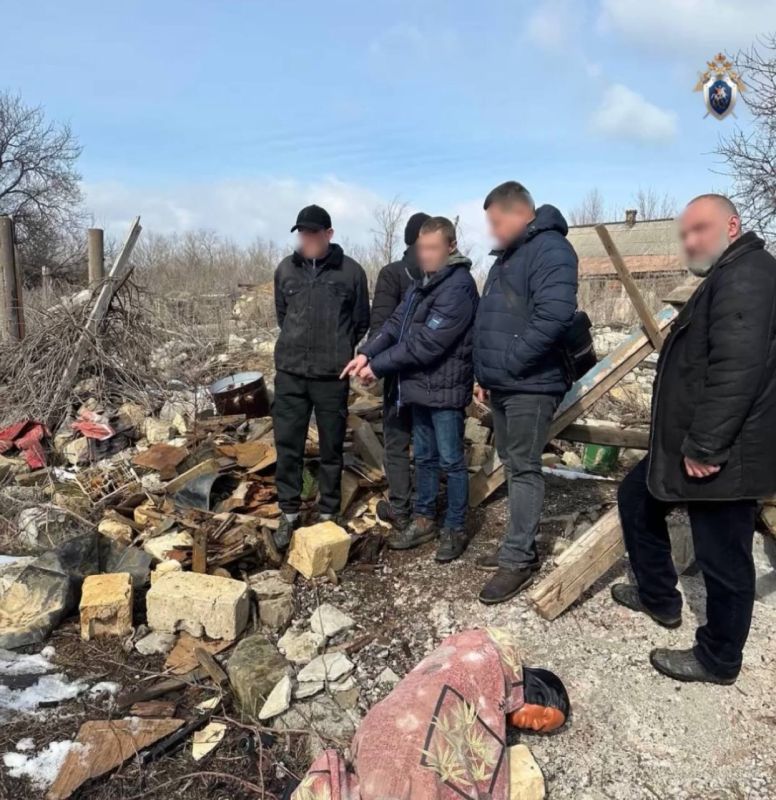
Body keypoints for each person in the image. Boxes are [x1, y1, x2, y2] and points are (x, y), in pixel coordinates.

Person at [613, 194, 776, 686]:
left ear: (731, 225)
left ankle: (719, 658)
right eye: (684, 234)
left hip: (726, 452)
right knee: (636, 498)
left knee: (723, 555)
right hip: (698, 442)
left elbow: (736, 371)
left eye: (699, 230)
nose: (689, 242)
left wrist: (706, 447)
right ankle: (659, 596)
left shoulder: (747, 276)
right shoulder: (729, 274)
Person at [291, 628, 570, 800]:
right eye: (542, 715)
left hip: (374, 735)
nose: (533, 725)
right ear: (536, 690)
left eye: (538, 729)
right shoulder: (491, 665)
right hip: (395, 723)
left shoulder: (493, 706)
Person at [342, 216, 478, 562]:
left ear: (451, 246)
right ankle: (424, 518)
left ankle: (455, 526)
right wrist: (366, 353)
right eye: (421, 249)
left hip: (444, 390)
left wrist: (379, 366)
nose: (426, 255)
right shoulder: (423, 284)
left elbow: (426, 343)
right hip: (419, 388)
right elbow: (394, 324)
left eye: (433, 248)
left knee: (451, 460)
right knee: (427, 459)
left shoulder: (458, 287)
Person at [472, 182, 578, 604]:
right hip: (506, 381)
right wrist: (486, 373)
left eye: (496, 222)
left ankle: (519, 559)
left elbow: (554, 316)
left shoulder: (551, 249)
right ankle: (515, 547)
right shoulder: (510, 256)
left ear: (520, 214)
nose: (493, 231)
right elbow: (494, 321)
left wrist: (508, 364)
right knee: (514, 463)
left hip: (532, 383)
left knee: (524, 468)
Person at [272, 204, 370, 549]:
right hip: (290, 373)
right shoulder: (286, 270)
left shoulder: (351, 273)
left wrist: (338, 348)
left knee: (331, 446)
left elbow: (360, 321)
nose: (307, 240)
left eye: (313, 233)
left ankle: (328, 513)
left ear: (328, 234)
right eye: (302, 234)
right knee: (288, 446)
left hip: (332, 375)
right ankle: (288, 514)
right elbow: (283, 316)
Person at [368, 212, 430, 532]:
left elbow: (379, 325)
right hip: (415, 375)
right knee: (411, 442)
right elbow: (380, 326)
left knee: (404, 443)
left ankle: (410, 510)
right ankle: (414, 509)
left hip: (413, 376)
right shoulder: (398, 274)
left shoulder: (405, 273)